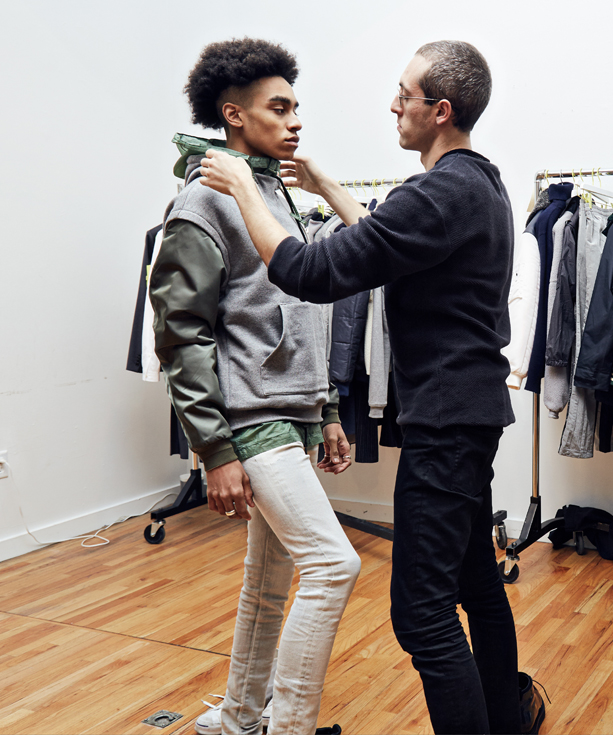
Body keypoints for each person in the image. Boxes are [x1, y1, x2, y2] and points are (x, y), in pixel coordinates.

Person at [199, 41, 544, 735]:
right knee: (478, 586)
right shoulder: (479, 183)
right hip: (472, 416)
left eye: (403, 94)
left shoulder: (438, 192)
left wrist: (241, 185)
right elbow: (392, 249)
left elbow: (308, 269)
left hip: (444, 425)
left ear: (439, 110)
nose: (393, 105)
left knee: (421, 615)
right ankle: (506, 717)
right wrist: (324, 185)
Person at [149, 38, 359, 735]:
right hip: (250, 419)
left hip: (292, 412)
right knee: (333, 566)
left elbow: (302, 312)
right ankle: (288, 726)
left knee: (269, 583)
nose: (295, 119)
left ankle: (240, 716)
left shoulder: (274, 193)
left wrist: (325, 408)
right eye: (280, 107)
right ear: (234, 115)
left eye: (297, 105)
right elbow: (182, 335)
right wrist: (215, 451)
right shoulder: (202, 203)